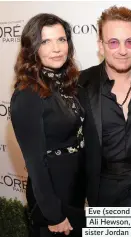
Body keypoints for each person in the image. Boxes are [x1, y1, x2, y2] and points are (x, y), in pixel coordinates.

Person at [78, 6, 131, 207]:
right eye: (114, 42)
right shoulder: (82, 83)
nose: (123, 51)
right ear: (101, 45)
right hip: (101, 188)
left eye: (130, 42)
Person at [10, 13, 86, 236]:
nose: (57, 48)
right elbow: (35, 162)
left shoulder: (65, 83)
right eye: (46, 41)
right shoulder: (27, 94)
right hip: (53, 200)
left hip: (73, 191)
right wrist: (54, 214)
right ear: (32, 48)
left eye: (61, 40)